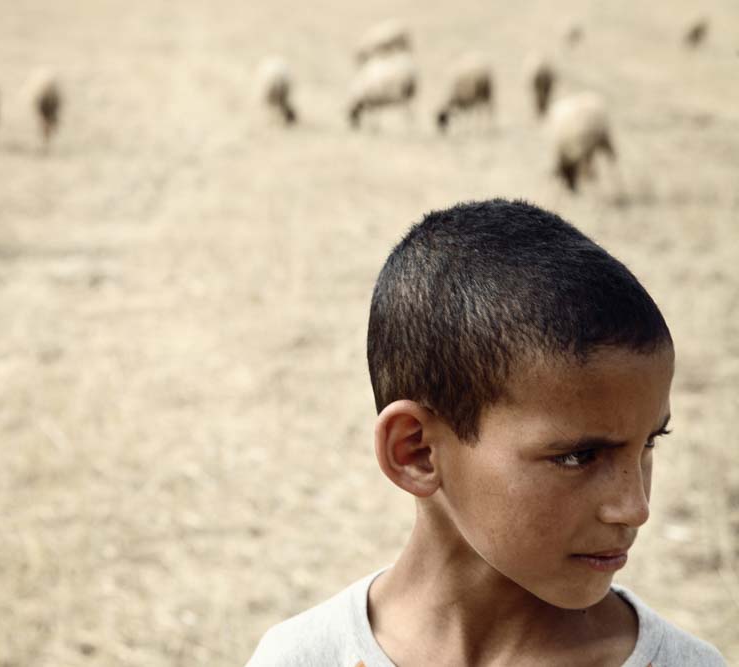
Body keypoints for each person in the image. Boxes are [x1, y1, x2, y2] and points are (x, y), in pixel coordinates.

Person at [246, 199, 726, 666]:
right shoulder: (301, 657)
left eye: (649, 443)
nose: (635, 508)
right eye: (579, 456)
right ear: (416, 452)